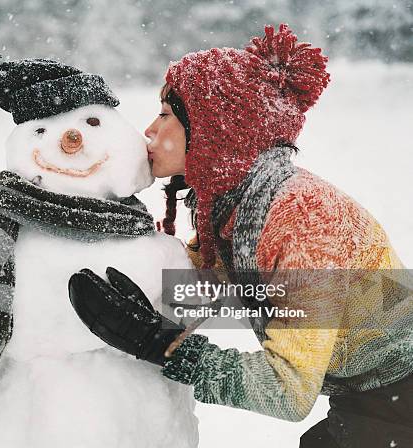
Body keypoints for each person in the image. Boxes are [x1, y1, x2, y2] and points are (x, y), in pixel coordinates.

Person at [68, 24, 412, 447]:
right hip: (377, 397)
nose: (150, 131)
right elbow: (216, 290)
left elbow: (286, 391)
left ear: (216, 129)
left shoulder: (303, 218)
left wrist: (159, 344)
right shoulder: (240, 207)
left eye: (165, 114)